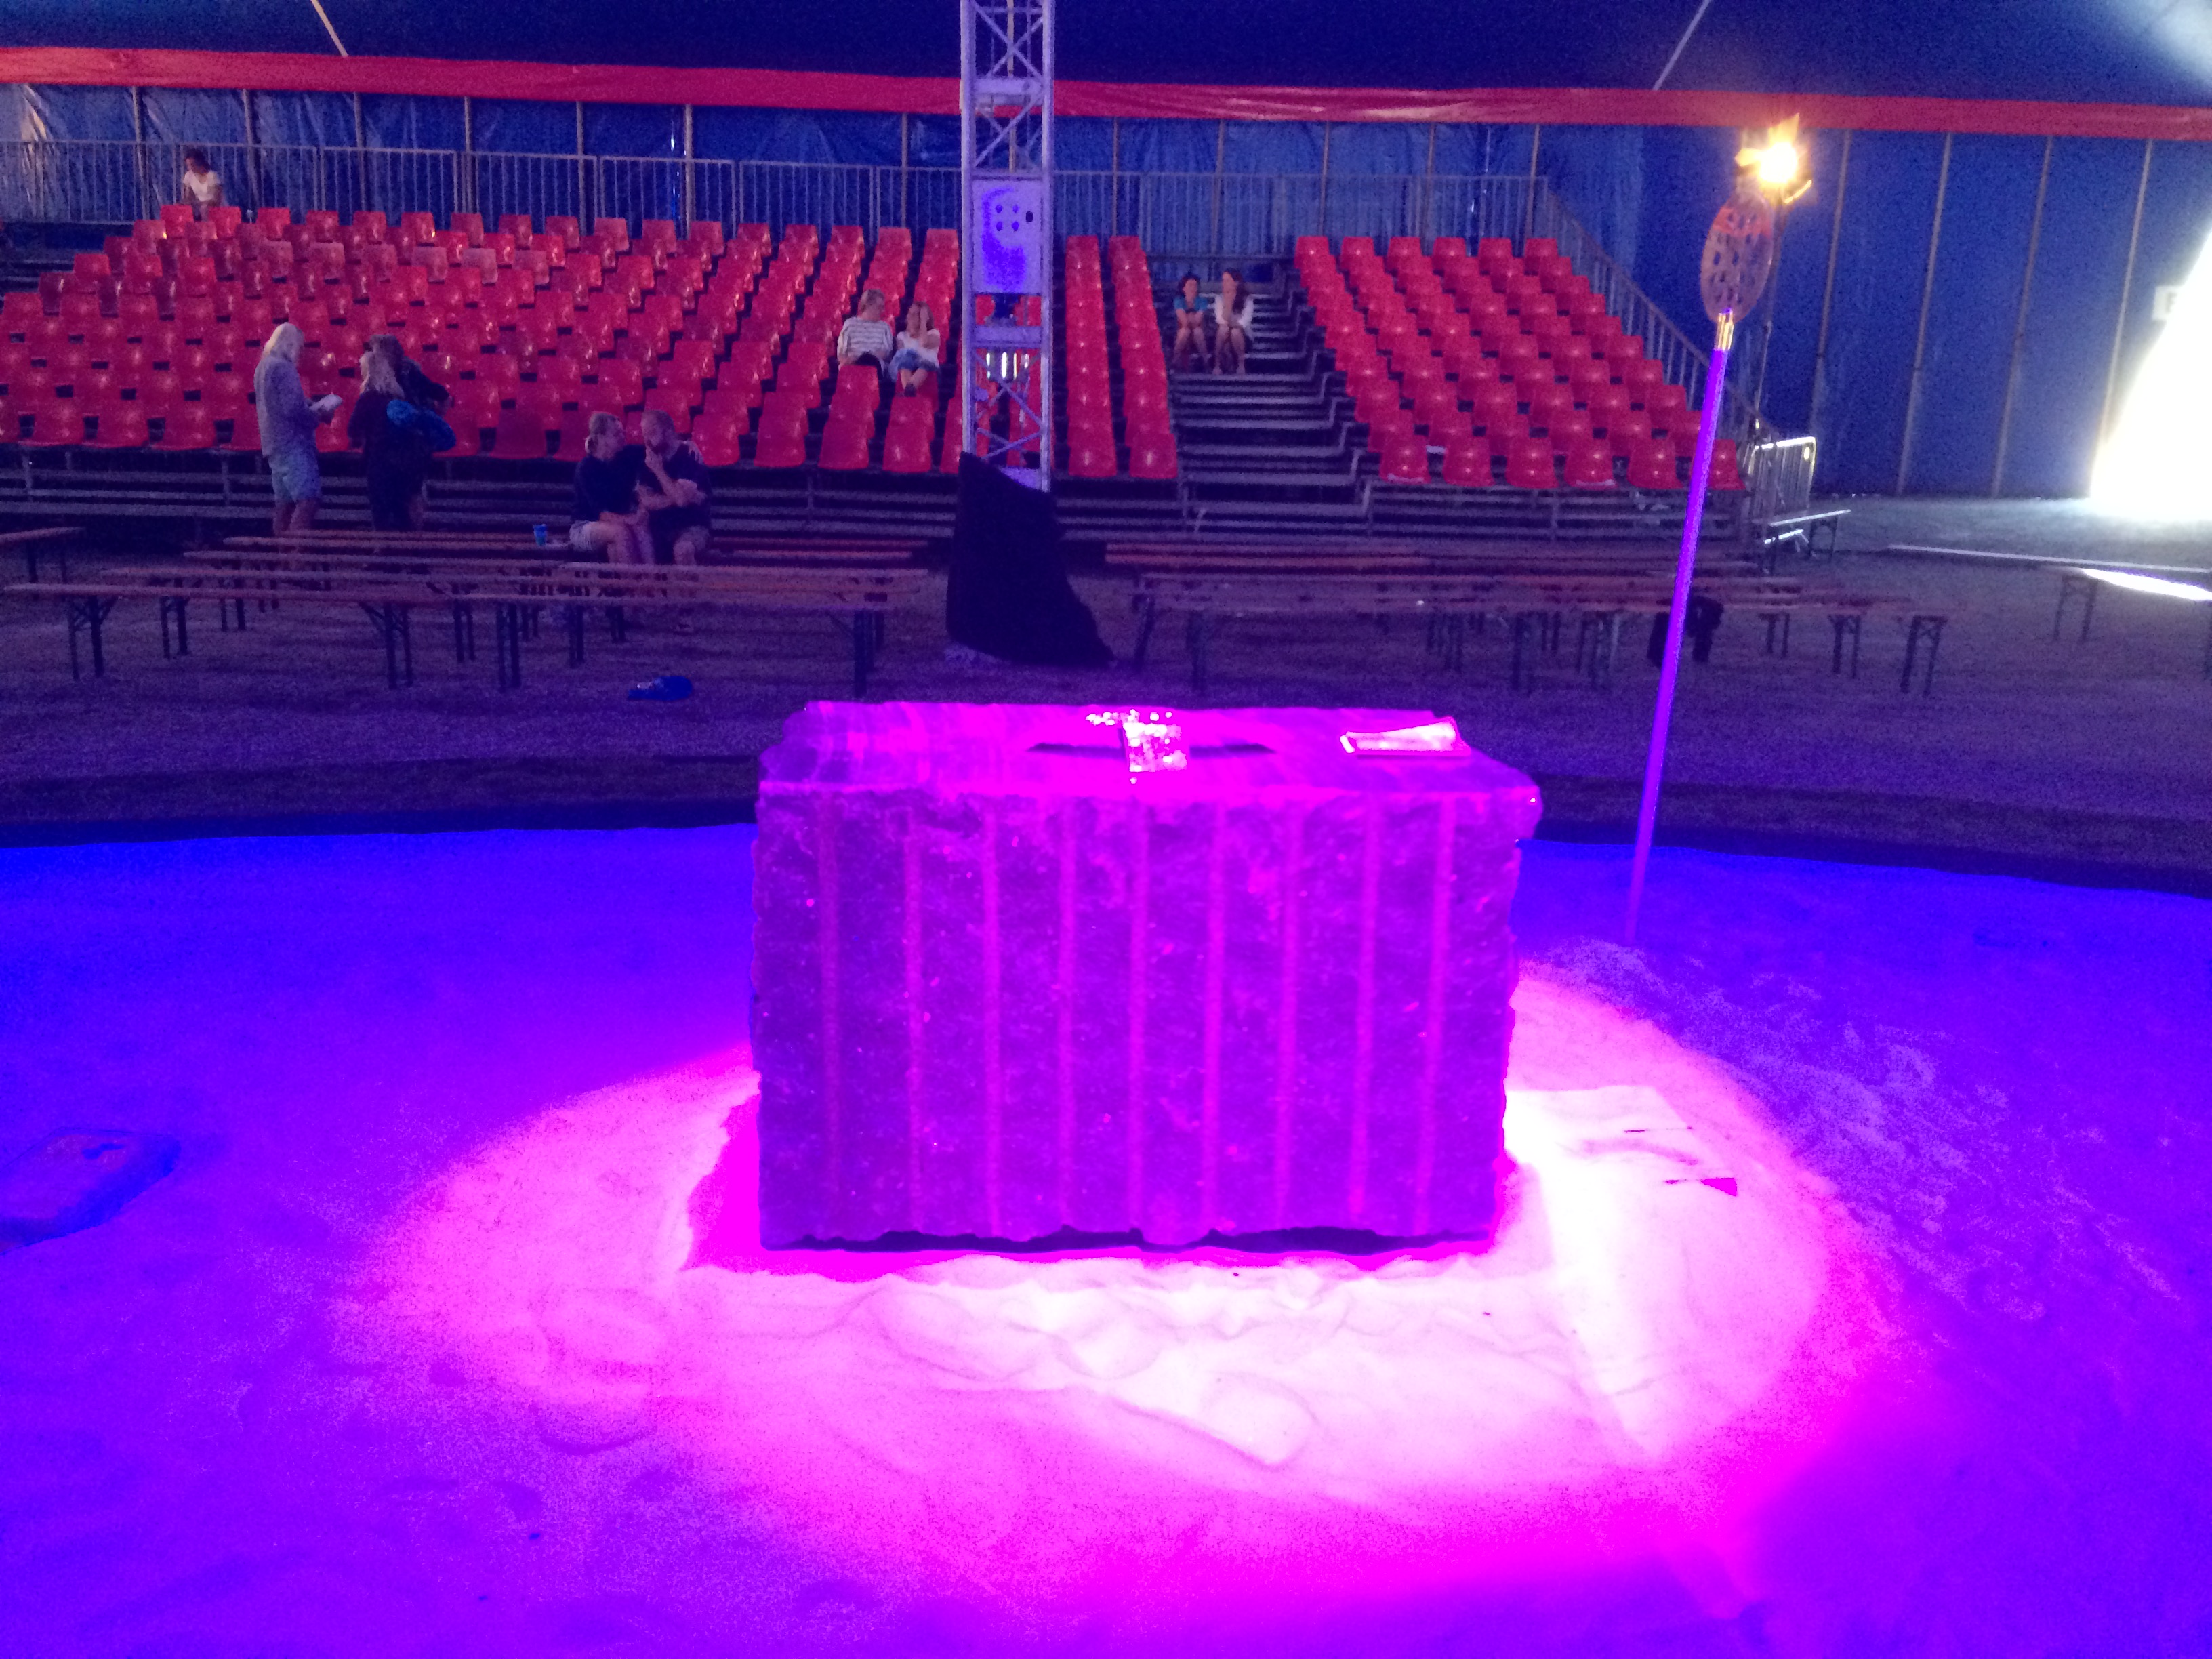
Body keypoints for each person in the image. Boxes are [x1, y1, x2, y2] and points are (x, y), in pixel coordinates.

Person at [253, 323, 338, 534]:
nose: (301, 352)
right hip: (292, 442)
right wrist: (318, 415)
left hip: (273, 442)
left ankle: (283, 551)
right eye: (299, 346)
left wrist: (308, 404)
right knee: (307, 500)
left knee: (284, 504)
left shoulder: (263, 366)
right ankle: (297, 551)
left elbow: (277, 403)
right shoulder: (284, 368)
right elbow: (292, 409)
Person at [347, 348, 434, 532]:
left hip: (379, 459)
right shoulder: (398, 397)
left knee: (381, 512)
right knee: (401, 510)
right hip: (403, 459)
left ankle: (384, 546)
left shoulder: (368, 399)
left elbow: (353, 430)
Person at [569, 413, 651, 565]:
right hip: (585, 524)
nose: (622, 437)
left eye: (622, 432)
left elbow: (655, 447)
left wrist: (684, 445)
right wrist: (631, 519)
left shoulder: (626, 456)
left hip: (617, 520)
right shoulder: (586, 468)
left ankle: (650, 575)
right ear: (601, 438)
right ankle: (635, 579)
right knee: (620, 532)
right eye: (616, 434)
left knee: (635, 532)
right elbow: (600, 514)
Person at [634, 408, 711, 566]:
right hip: (659, 526)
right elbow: (646, 501)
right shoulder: (647, 459)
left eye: (652, 432)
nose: (647, 439)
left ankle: (688, 585)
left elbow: (681, 501)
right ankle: (649, 581)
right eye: (645, 434)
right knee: (632, 536)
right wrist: (675, 497)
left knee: (682, 550)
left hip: (691, 525)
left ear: (668, 431)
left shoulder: (689, 455)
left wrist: (659, 471)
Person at [837, 289, 895, 374]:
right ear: (868, 305)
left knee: (869, 361)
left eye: (883, 307)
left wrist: (869, 356)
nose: (883, 311)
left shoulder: (885, 327)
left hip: (874, 365)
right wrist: (848, 360)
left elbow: (886, 352)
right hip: (853, 364)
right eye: (879, 307)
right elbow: (841, 352)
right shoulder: (850, 324)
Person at [889, 300, 941, 394]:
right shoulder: (902, 336)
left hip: (928, 369)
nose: (909, 317)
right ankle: (908, 391)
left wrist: (924, 322)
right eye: (909, 314)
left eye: (914, 315)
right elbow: (901, 354)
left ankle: (909, 390)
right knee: (905, 360)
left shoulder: (934, 334)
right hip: (909, 367)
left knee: (924, 364)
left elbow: (924, 342)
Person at [1213, 268, 1254, 375]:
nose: (1224, 283)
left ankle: (1241, 365)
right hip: (1225, 334)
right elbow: (1220, 320)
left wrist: (1231, 323)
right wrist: (1228, 304)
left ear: (1236, 283)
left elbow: (1244, 322)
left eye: (1227, 280)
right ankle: (1217, 365)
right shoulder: (1219, 298)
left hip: (1243, 336)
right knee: (1223, 330)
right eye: (1223, 280)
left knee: (1235, 332)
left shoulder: (1247, 299)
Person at [1171, 272, 1209, 371]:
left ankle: (1206, 363)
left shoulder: (1202, 301)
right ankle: (1174, 362)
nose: (1193, 288)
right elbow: (1184, 322)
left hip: (1199, 331)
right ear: (1183, 288)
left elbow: (1198, 322)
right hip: (1181, 332)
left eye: (1195, 285)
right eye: (1190, 285)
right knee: (1185, 331)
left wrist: (1188, 317)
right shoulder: (1179, 301)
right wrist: (1192, 317)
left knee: (1198, 331)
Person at [180, 150, 223, 220]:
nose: (190, 168)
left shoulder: (212, 176)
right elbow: (189, 197)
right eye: (188, 165)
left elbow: (216, 200)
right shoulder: (189, 176)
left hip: (212, 208)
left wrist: (201, 204)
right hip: (198, 206)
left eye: (193, 165)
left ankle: (205, 225)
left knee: (204, 208)